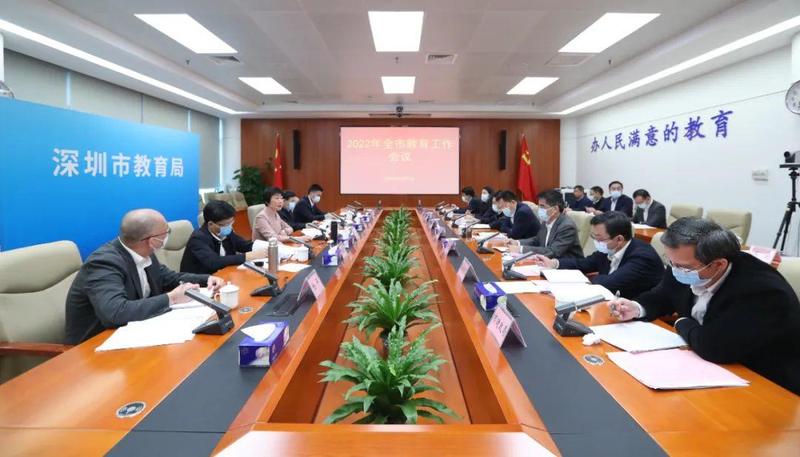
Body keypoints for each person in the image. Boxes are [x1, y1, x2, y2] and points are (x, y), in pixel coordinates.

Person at [608, 217, 800, 395]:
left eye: (683, 267)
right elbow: (663, 294)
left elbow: (714, 346)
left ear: (718, 265)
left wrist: (681, 322)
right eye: (671, 262)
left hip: (762, 381)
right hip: (702, 363)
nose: (675, 270)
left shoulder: (762, 291)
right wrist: (636, 307)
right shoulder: (684, 263)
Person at [65, 209, 224, 344]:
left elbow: (168, 277)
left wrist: (206, 279)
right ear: (153, 241)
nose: (167, 235)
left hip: (135, 330)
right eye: (166, 232)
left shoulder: (143, 252)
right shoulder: (104, 263)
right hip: (97, 344)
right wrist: (172, 298)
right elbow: (116, 312)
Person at [533, 211, 663, 299]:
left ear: (619, 239)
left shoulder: (642, 257)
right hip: (610, 300)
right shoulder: (609, 248)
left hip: (634, 311)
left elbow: (608, 282)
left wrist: (579, 281)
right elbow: (584, 263)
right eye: (593, 237)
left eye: (599, 238)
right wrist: (554, 263)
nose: (596, 242)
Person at [180, 200, 267, 274]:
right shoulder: (198, 238)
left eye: (231, 222)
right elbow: (214, 262)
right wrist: (247, 256)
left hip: (224, 275)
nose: (229, 227)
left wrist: (268, 246)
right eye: (225, 224)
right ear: (210, 224)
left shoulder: (226, 232)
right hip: (199, 283)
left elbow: (244, 245)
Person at [520, 190, 584, 259]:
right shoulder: (546, 221)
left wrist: (521, 249)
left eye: (542, 206)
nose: (539, 209)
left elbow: (553, 251)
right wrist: (517, 243)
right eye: (539, 206)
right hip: (548, 260)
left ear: (555, 209)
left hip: (566, 263)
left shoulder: (567, 226)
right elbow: (537, 240)